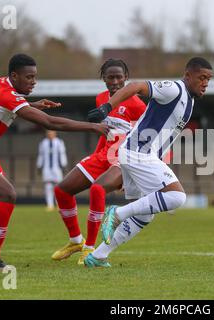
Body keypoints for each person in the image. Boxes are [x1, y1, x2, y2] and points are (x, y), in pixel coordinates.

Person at [0, 53, 110, 270]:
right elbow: (50, 122)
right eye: (29, 77)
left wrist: (30, 104)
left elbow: (2, 105)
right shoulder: (6, 94)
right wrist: (92, 126)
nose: (34, 81)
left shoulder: (4, 86)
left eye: (35, 77)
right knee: (8, 195)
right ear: (14, 76)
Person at [84, 57, 213, 267]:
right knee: (177, 197)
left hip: (139, 154)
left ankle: (98, 256)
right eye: (202, 77)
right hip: (137, 152)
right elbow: (136, 86)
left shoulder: (189, 101)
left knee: (145, 214)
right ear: (188, 75)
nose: (206, 82)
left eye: (209, 79)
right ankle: (116, 214)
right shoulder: (174, 89)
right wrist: (107, 107)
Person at [51, 59, 146, 265]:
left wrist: (133, 176)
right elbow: (105, 132)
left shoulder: (138, 105)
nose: (115, 81)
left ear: (126, 78)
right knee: (62, 191)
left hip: (124, 159)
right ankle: (76, 241)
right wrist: (94, 158)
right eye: (110, 77)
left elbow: (147, 140)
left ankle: (89, 249)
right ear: (103, 78)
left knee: (97, 190)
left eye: (119, 77)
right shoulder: (101, 99)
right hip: (103, 154)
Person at [37, 130, 67, 211]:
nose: (50, 134)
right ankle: (50, 205)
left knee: (58, 186)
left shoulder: (59, 142)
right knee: (48, 186)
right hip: (47, 168)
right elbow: (41, 155)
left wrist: (64, 165)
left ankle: (58, 204)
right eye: (48, 133)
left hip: (56, 168)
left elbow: (62, 153)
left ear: (55, 133)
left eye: (51, 132)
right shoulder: (43, 143)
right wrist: (39, 165)